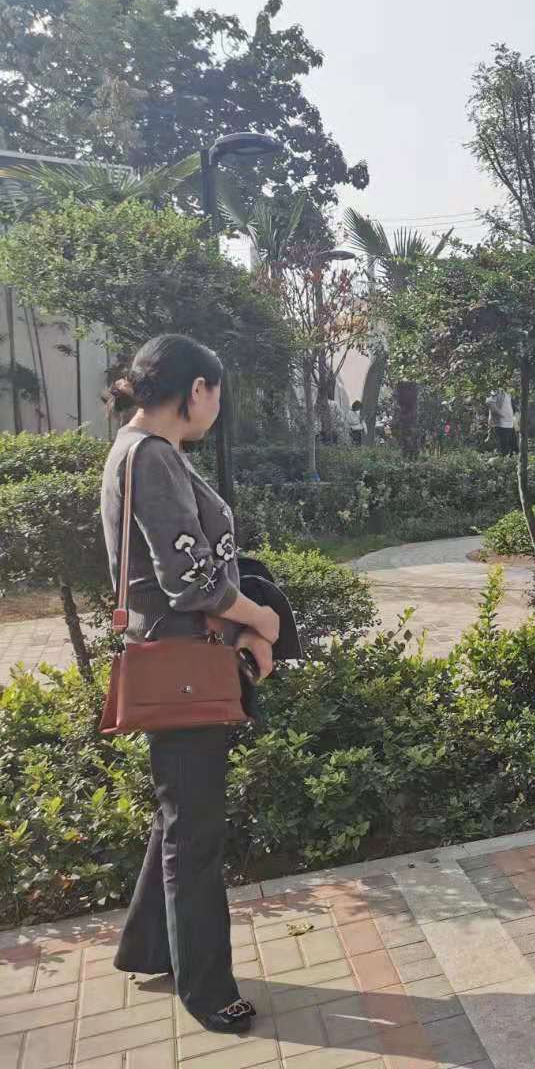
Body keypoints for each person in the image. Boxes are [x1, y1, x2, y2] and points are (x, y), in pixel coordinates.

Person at [102, 334, 282, 1036]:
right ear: (196, 391)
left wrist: (246, 626)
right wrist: (258, 617)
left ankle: (149, 946)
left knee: (180, 812)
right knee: (193, 833)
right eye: (217, 394)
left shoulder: (145, 450)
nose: (217, 407)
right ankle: (207, 992)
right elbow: (191, 580)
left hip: (186, 655)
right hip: (183, 666)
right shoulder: (150, 455)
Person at [488, 388, 517, 454]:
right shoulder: (495, 394)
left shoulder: (507, 394)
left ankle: (509, 455)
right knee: (504, 445)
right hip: (500, 423)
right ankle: (504, 455)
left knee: (511, 444)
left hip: (508, 423)